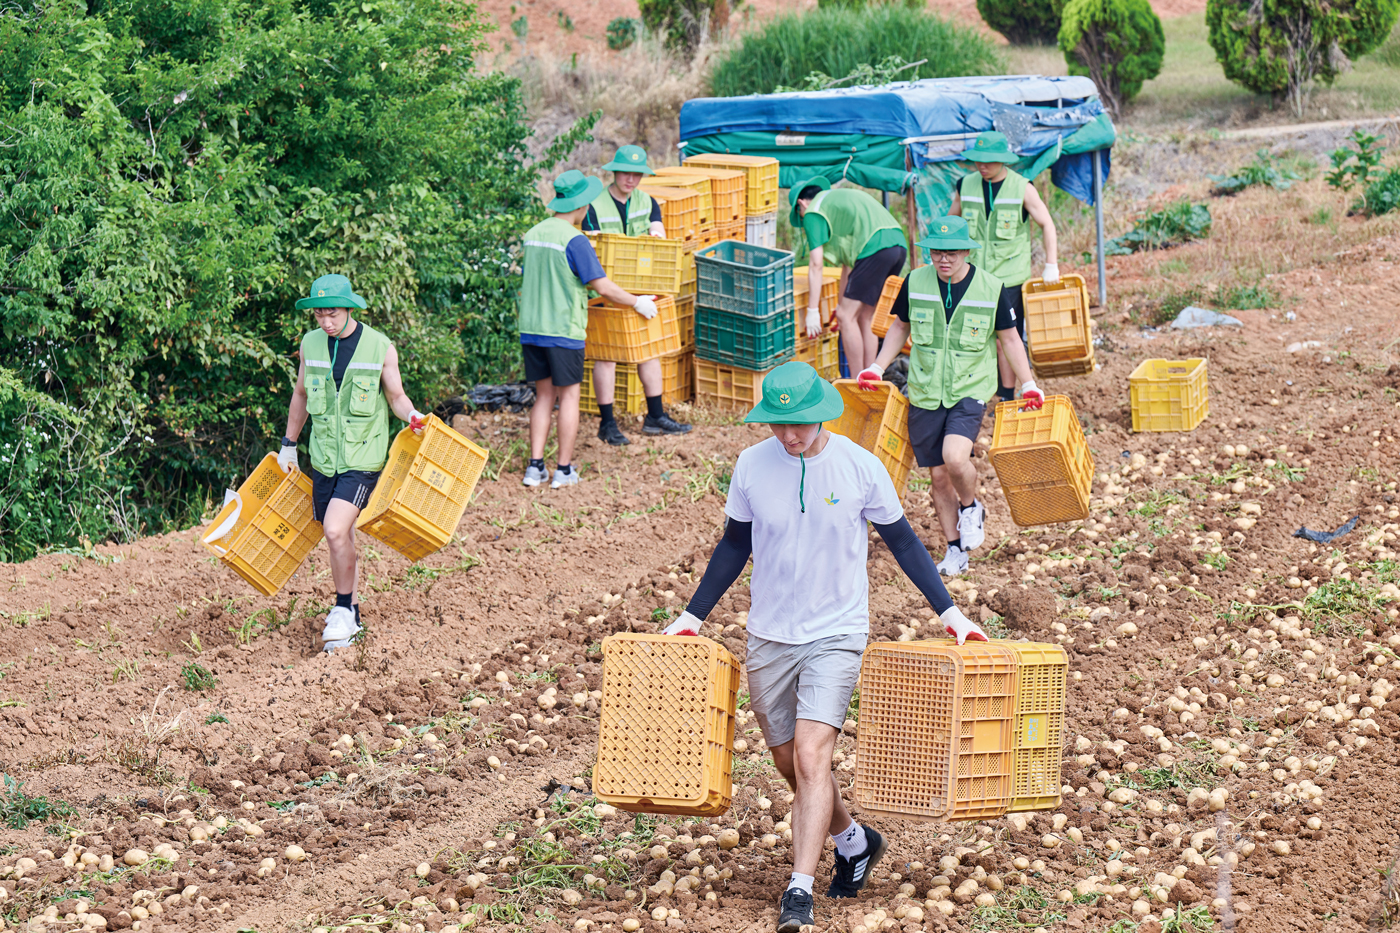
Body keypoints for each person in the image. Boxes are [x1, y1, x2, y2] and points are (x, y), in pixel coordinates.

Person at [659, 361, 987, 933]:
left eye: (799, 425)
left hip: (837, 632)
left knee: (813, 757)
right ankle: (854, 840)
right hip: (768, 634)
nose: (788, 436)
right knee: (789, 762)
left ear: (820, 416)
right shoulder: (751, 465)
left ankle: (799, 893)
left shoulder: (860, 467)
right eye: (777, 426)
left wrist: (952, 614)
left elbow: (904, 542)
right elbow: (735, 544)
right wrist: (691, 615)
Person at [856, 217, 1043, 578]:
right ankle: (955, 549)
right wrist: (877, 367)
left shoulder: (992, 288)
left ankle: (972, 507)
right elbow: (900, 326)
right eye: (937, 253)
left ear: (967, 252)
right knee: (939, 478)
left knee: (955, 458)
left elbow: (1010, 340)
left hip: (970, 387)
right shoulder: (915, 282)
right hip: (925, 390)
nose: (944, 260)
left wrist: (1028, 382)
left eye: (952, 253)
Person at [279, 273, 426, 651]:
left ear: (348, 309)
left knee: (333, 529)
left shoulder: (379, 346)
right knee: (340, 536)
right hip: (325, 458)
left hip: (364, 457)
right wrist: (289, 444)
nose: (326, 323)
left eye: (332, 314)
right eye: (319, 316)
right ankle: (353, 613)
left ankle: (342, 608)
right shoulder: (310, 344)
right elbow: (300, 394)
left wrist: (411, 416)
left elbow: (396, 398)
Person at [519, 170, 658, 489]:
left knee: (543, 396)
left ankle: (535, 467)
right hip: (563, 330)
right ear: (581, 205)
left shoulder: (533, 233)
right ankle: (563, 470)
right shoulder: (574, 239)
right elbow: (603, 287)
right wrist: (636, 302)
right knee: (569, 397)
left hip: (532, 329)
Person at [581, 145, 692, 446]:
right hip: (608, 288)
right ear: (614, 172)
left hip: (641, 290)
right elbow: (590, 250)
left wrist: (657, 235)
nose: (631, 179)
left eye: (637, 174)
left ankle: (655, 416)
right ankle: (607, 423)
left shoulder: (647, 201)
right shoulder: (594, 206)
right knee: (607, 355)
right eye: (626, 173)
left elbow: (658, 230)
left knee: (649, 350)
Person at [948, 131, 1060, 403]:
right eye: (978, 161)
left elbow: (1047, 224)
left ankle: (1007, 396)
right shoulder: (966, 185)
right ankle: (977, 392)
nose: (982, 166)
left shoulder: (1022, 187)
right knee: (975, 336)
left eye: (988, 161)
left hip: (1009, 277)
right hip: (973, 276)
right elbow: (951, 223)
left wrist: (1051, 264)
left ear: (1003, 160)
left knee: (1005, 338)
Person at [789, 177, 907, 374]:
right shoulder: (835, 204)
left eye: (800, 216)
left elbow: (816, 264)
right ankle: (870, 377)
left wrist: (812, 311)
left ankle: (855, 382)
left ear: (801, 203)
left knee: (847, 317)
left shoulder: (813, 212)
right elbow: (848, 267)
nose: (803, 221)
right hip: (896, 245)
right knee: (864, 317)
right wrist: (840, 304)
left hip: (875, 248)